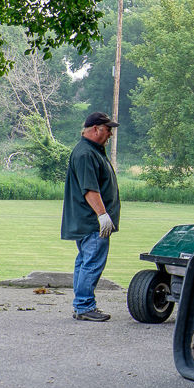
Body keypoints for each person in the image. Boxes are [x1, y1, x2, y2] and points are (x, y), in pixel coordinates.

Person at [61, 112, 121, 321]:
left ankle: (81, 305)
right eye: (108, 129)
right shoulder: (86, 153)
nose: (110, 134)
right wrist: (103, 215)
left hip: (85, 220)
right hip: (91, 221)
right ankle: (85, 306)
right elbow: (90, 189)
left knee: (84, 261)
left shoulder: (91, 151)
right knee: (92, 262)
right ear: (96, 129)